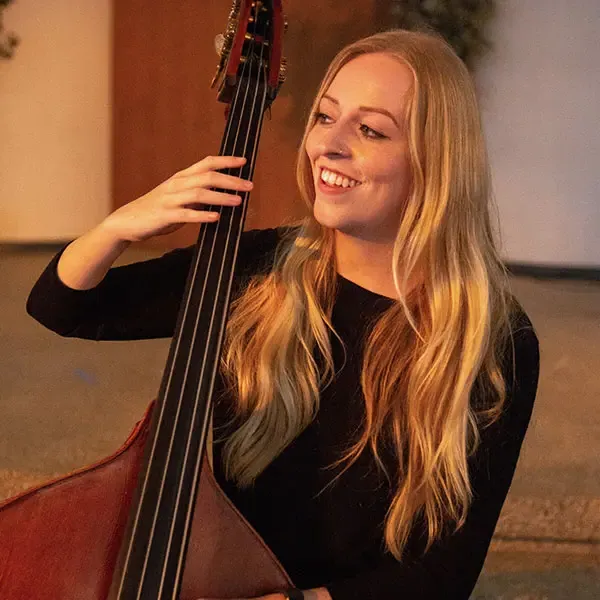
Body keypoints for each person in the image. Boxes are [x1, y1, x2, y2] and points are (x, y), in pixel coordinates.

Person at [27, 29, 540, 600]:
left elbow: (441, 576)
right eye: (325, 117)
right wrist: (121, 225)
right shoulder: (259, 269)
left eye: (369, 130)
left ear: (437, 161)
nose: (329, 145)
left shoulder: (490, 339)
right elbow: (62, 306)